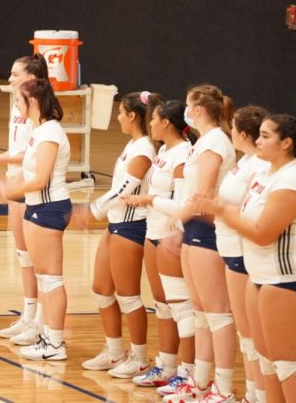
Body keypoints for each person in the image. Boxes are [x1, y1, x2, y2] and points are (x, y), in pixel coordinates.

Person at [196, 115, 296, 403]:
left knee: (288, 365)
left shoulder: (293, 178)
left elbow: (263, 233)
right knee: (266, 360)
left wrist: (221, 210)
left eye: (266, 136)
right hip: (260, 277)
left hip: (288, 280)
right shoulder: (266, 173)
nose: (257, 140)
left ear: (286, 143)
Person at [166, 84, 237, 403]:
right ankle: (201, 382)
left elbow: (204, 193)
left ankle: (224, 388)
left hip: (209, 231)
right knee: (200, 313)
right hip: (193, 227)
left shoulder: (215, 142)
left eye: (188, 104)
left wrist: (178, 226)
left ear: (197, 110)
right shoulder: (203, 141)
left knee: (217, 314)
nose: (185, 109)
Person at [80, 91, 157, 378]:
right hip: (115, 223)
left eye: (121, 112)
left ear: (133, 116)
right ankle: (114, 353)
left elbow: (124, 188)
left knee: (129, 296)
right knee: (101, 288)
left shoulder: (145, 149)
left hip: (132, 224)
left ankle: (138, 357)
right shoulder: (133, 143)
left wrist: (93, 209)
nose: (118, 117)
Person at [0, 54, 48, 345]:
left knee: (38, 260)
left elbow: (31, 153)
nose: (9, 78)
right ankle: (29, 316)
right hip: (17, 179)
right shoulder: (16, 106)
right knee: (24, 256)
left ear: (31, 77)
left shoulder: (40, 111)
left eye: (15, 74)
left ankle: (42, 321)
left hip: (30, 184)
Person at [122, 99, 195, 391]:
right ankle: (167, 367)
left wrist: (149, 200)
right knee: (162, 307)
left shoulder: (184, 154)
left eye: (153, 119)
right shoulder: (163, 150)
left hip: (171, 235)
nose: (149, 123)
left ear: (166, 122)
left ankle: (189, 374)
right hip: (153, 230)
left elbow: (181, 204)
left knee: (181, 309)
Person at [0, 78, 71, 360]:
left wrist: (10, 190)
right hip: (37, 207)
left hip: (50, 207)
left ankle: (55, 343)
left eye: (19, 100)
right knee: (44, 277)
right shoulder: (37, 130)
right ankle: (48, 337)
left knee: (51, 279)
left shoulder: (50, 132)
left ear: (33, 102)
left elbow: (41, 179)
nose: (17, 106)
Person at [213, 105, 270, 403]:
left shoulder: (258, 167)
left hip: (242, 253)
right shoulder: (245, 161)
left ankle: (257, 395)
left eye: (233, 128)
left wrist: (219, 210)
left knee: (250, 336)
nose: (229, 132)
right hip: (230, 249)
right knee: (246, 336)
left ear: (243, 133)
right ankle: (252, 393)